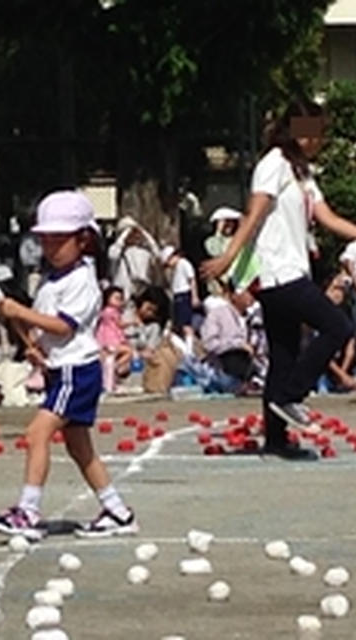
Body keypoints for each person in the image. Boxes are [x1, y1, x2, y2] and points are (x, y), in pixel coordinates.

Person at [201, 99, 356, 460]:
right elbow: (253, 215)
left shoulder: (302, 173)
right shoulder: (273, 164)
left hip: (294, 269)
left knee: (284, 354)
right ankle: (292, 395)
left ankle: (275, 439)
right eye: (312, 132)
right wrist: (228, 257)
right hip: (276, 272)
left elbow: (329, 219)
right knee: (338, 326)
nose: (318, 140)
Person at [0, 190, 138, 540]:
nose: (50, 247)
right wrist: (35, 346)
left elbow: (65, 326)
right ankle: (117, 511)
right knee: (79, 446)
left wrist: (19, 312)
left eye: (59, 239)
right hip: (61, 368)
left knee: (37, 434)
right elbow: (50, 328)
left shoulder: (82, 280)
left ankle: (28, 511)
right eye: (45, 239)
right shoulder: (53, 280)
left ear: (83, 240)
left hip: (75, 373)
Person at [108, 216, 159, 302]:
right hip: (123, 287)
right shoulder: (119, 251)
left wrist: (144, 233)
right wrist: (124, 235)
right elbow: (112, 255)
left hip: (140, 288)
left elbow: (157, 253)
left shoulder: (144, 252)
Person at [161, 245, 200, 353]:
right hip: (177, 296)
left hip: (184, 294)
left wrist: (194, 296)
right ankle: (184, 349)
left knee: (185, 325)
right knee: (177, 325)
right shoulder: (175, 270)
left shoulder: (184, 263)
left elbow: (192, 279)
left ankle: (189, 351)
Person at [95, 285, 133, 385]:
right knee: (128, 352)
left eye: (120, 299)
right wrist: (131, 322)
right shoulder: (110, 311)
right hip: (110, 339)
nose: (119, 301)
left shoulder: (108, 312)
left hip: (109, 339)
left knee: (116, 356)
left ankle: (113, 376)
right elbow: (120, 324)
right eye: (116, 298)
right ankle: (115, 367)